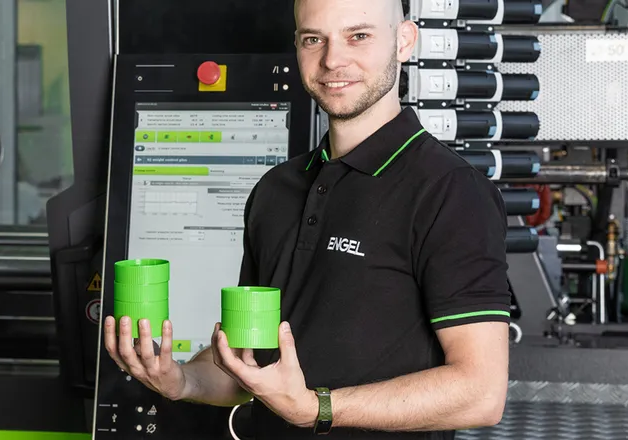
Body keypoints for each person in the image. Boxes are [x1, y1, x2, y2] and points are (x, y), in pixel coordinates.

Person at [103, 0, 511, 437]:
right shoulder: (276, 189)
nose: (333, 60)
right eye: (313, 39)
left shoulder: (450, 190)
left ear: (404, 41)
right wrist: (181, 380)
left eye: (359, 36)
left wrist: (316, 408)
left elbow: (480, 392)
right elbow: (249, 359)